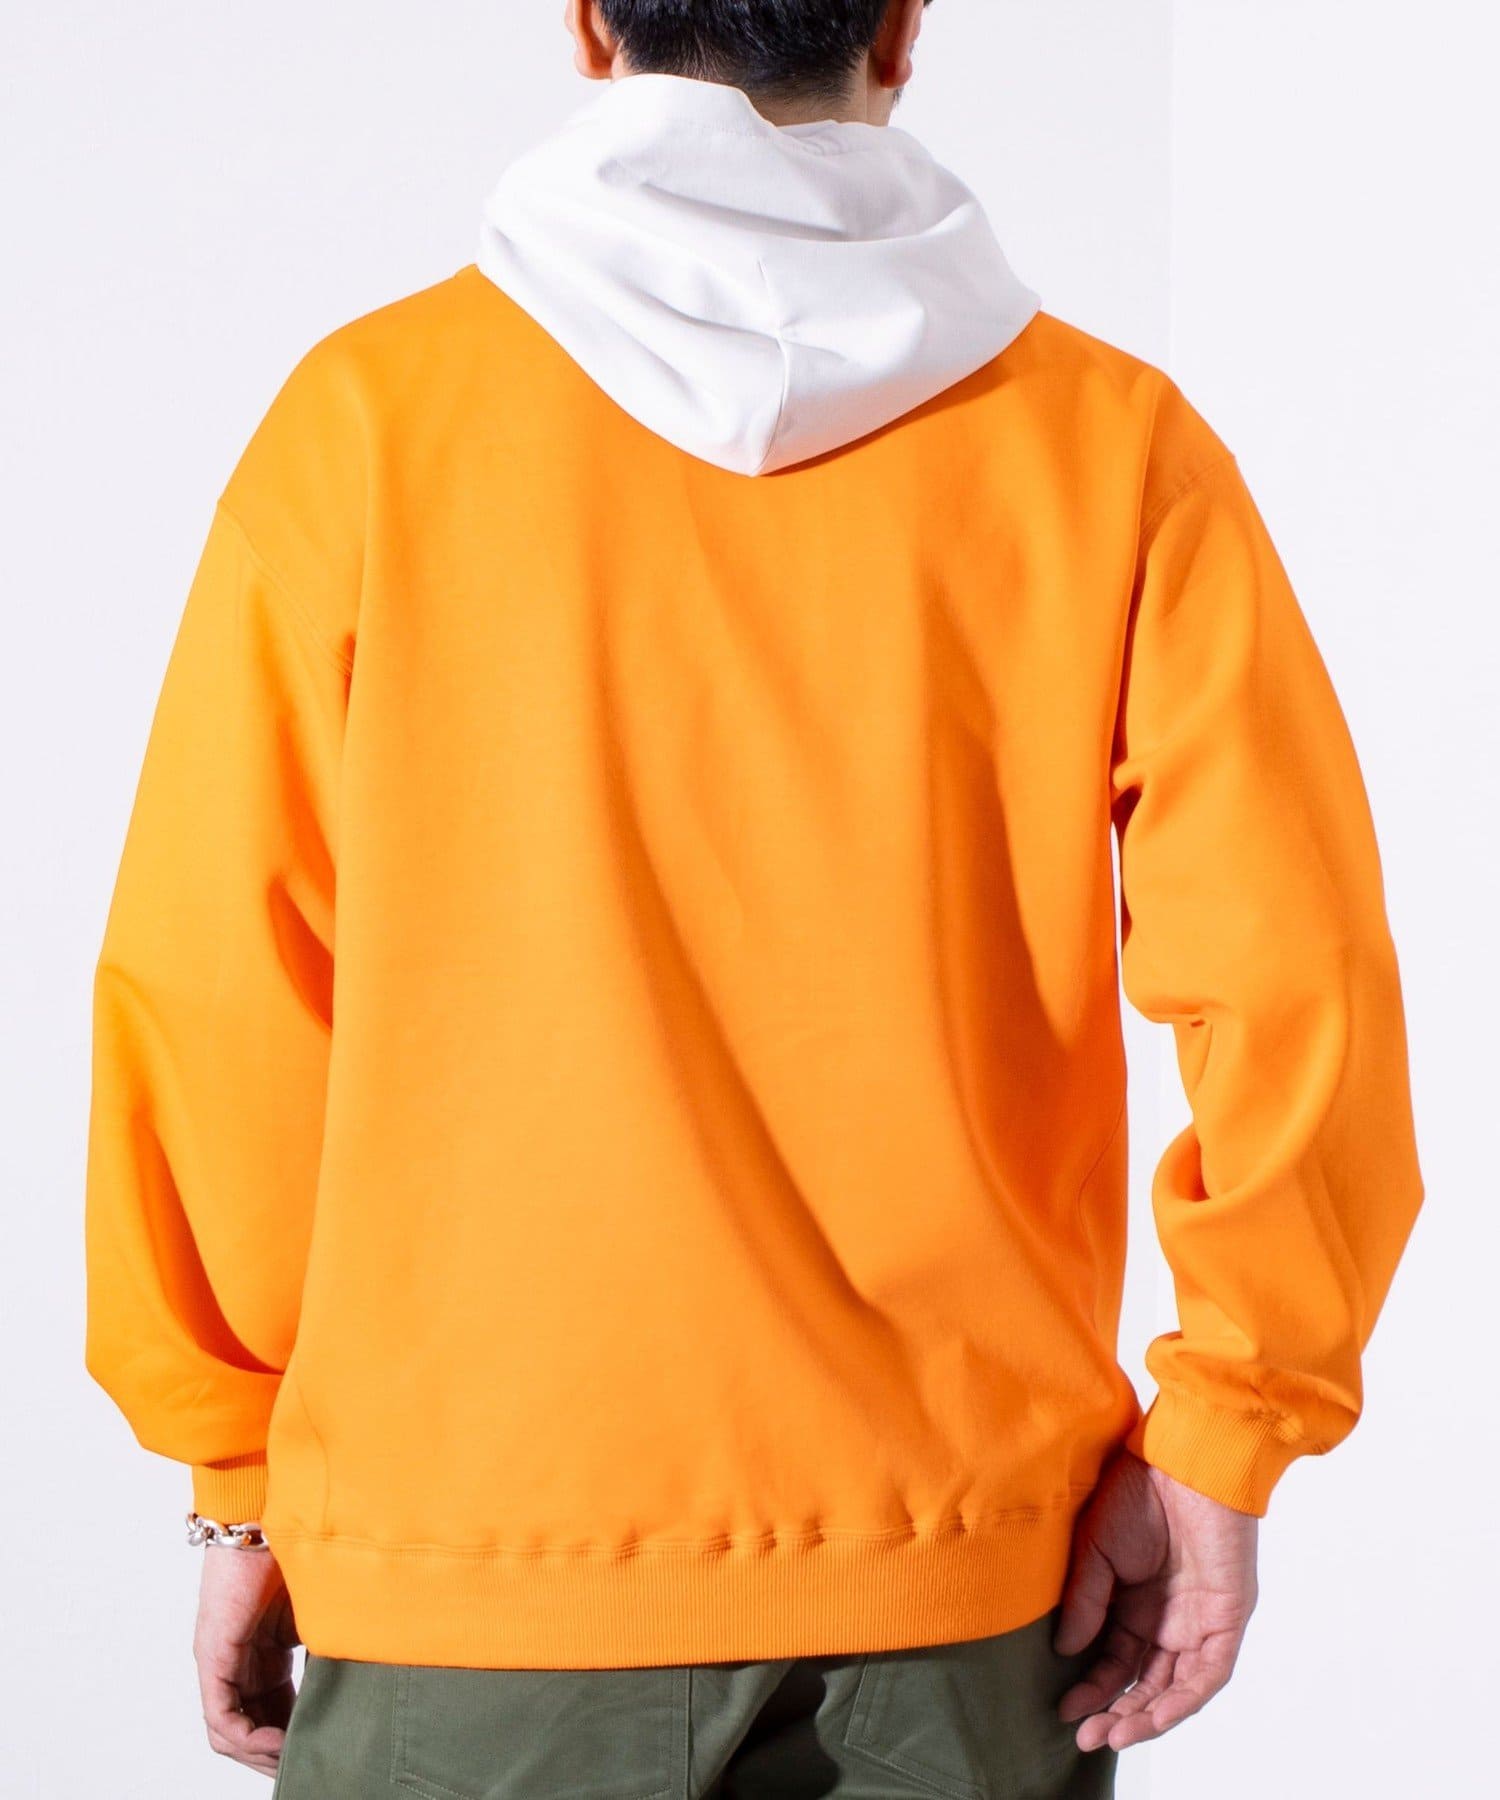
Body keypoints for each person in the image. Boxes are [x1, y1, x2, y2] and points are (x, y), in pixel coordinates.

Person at [84, 2, 1424, 1793]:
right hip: (963, 1582)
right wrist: (1224, 1430)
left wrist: (238, 1470)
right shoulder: (1110, 448)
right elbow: (1297, 976)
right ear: (904, 26)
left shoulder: (370, 430)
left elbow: (216, 997)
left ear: (590, 26)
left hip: (481, 1573)